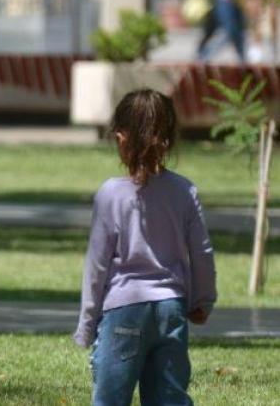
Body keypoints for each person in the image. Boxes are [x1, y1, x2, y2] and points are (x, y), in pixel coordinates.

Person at [74, 89, 217, 406]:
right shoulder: (184, 191)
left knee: (111, 399)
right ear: (169, 139)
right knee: (168, 397)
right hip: (171, 310)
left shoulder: (111, 194)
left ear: (121, 138)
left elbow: (97, 266)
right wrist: (203, 301)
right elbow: (202, 253)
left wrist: (86, 325)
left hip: (124, 311)